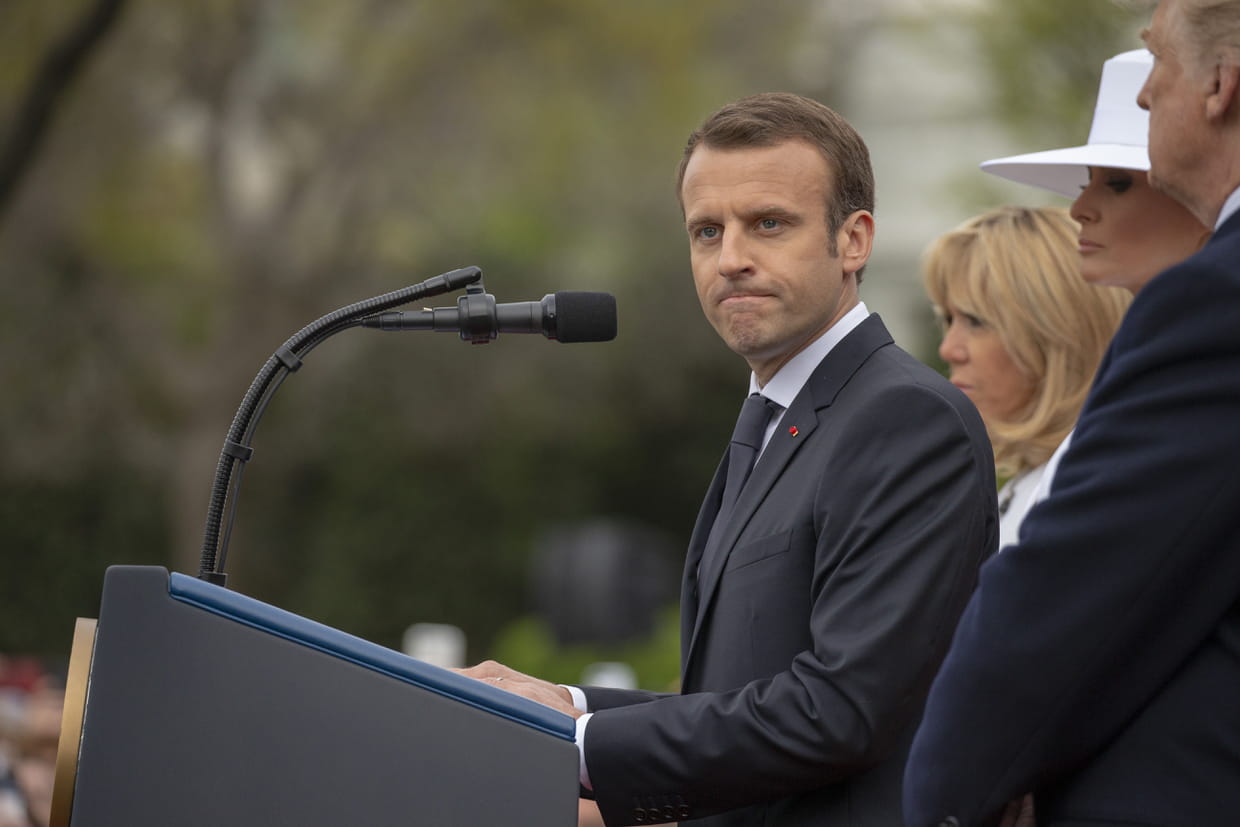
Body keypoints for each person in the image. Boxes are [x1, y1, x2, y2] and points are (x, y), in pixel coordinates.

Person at [462, 92, 998, 826]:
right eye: (707, 231)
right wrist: (564, 704)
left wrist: (579, 742)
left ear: (854, 240)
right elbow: (736, 697)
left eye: (768, 223)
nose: (732, 259)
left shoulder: (905, 420)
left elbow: (839, 709)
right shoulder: (780, 414)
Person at [903, 4, 1240, 825]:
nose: (1079, 210)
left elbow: (1062, 623)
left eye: (1117, 181)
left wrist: (951, 794)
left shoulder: (1211, 309)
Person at [922, 206, 1130, 549]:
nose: (949, 349)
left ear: (1059, 332)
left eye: (976, 321)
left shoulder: (1102, 496)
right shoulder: (1034, 483)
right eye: (947, 319)